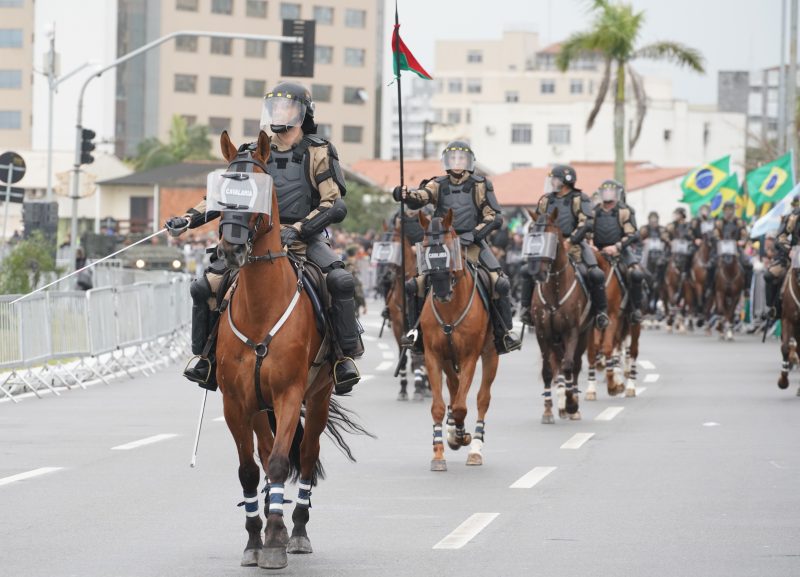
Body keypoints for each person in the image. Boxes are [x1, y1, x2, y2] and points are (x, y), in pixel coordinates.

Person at [165, 81, 363, 395]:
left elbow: (333, 203)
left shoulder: (318, 151)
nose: (278, 113)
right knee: (205, 287)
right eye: (273, 107)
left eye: (285, 107)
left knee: (339, 281)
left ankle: (343, 358)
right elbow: (221, 196)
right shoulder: (251, 153)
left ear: (302, 113)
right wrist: (187, 218)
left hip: (304, 237)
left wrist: (298, 229)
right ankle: (204, 359)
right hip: (253, 239)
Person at [393, 140, 522, 354]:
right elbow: (421, 197)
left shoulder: (481, 184)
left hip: (473, 242)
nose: (456, 162)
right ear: (446, 162)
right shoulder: (438, 183)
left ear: (469, 162)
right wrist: (405, 195)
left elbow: (494, 216)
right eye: (452, 158)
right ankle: (415, 333)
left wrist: (473, 234)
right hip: (440, 243)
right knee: (414, 284)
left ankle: (504, 333)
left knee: (499, 283)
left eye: (461, 158)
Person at [520, 164, 609, 329]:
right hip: (547, 246)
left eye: (554, 179)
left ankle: (600, 312)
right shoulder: (546, 200)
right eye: (551, 179)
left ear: (566, 181)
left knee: (595, 273)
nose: (552, 182)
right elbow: (539, 222)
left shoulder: (580, 198)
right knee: (527, 270)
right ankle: (526, 309)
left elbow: (586, 222)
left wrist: (571, 241)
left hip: (574, 244)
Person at [591, 180, 644, 323]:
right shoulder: (594, 211)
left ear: (617, 194)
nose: (607, 195)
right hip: (597, 250)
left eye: (610, 192)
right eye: (605, 191)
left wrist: (617, 247)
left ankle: (635, 309)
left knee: (636, 273)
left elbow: (632, 234)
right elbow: (587, 230)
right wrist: (591, 244)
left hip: (620, 250)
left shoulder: (625, 211)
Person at [764, 199, 800, 319]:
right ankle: (773, 308)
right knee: (769, 275)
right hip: (795, 256)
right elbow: (781, 236)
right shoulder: (793, 217)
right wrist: (790, 250)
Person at [711, 200, 753, 296]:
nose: (728, 212)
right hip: (722, 250)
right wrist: (719, 241)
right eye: (727, 210)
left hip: (736, 249)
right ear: (724, 211)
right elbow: (715, 236)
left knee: (748, 264)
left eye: (731, 209)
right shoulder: (719, 222)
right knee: (711, 264)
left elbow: (745, 234)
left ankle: (747, 287)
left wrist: (742, 241)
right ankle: (711, 287)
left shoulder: (739, 222)